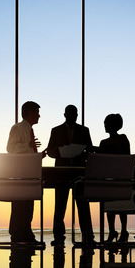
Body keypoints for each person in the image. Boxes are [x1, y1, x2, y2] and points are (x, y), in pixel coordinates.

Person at [45, 104, 94, 246]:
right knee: (60, 205)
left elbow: (89, 149)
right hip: (61, 172)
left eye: (75, 115)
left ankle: (87, 236)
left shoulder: (84, 130)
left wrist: (81, 153)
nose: (74, 117)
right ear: (65, 115)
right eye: (71, 114)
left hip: (79, 171)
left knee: (82, 204)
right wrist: (60, 152)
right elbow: (49, 151)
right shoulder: (56, 130)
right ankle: (59, 236)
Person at [6, 101, 44, 243]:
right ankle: (18, 233)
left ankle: (25, 232)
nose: (39, 116)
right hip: (20, 174)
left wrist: (38, 155)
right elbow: (10, 149)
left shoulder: (28, 130)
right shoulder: (18, 128)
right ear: (29, 113)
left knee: (28, 205)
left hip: (29, 172)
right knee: (21, 205)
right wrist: (28, 145)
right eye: (37, 112)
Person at [97, 113, 131, 243]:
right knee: (114, 204)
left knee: (114, 203)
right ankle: (116, 230)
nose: (105, 125)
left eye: (107, 123)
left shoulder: (116, 140)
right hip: (117, 178)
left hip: (115, 178)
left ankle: (118, 231)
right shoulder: (115, 141)